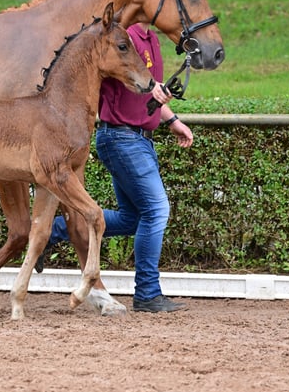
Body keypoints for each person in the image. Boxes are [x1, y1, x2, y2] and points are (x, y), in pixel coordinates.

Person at [36, 21, 193, 313]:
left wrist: (171, 120)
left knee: (133, 218)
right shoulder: (122, 38)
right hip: (122, 136)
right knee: (157, 210)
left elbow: (149, 88)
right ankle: (147, 292)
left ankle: (54, 230)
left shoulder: (151, 39)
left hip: (141, 139)